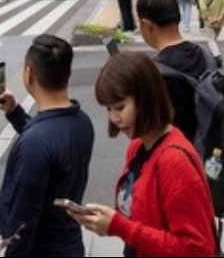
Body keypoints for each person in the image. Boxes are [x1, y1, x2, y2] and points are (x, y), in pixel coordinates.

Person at [67, 50, 216, 257]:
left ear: (146, 98)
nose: (114, 118)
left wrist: (121, 227)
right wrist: (108, 220)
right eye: (109, 109)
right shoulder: (137, 146)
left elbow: (197, 249)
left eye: (120, 107)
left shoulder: (174, 161)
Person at [0, 34, 95, 257]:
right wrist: (14, 112)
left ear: (29, 75)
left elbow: (23, 224)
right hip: (69, 243)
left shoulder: (35, 143)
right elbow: (51, 141)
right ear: (69, 74)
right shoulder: (81, 121)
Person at [136, 0, 211, 141]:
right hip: (208, 152)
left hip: (175, 156)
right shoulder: (206, 55)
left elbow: (147, 130)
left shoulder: (153, 74)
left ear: (146, 25)